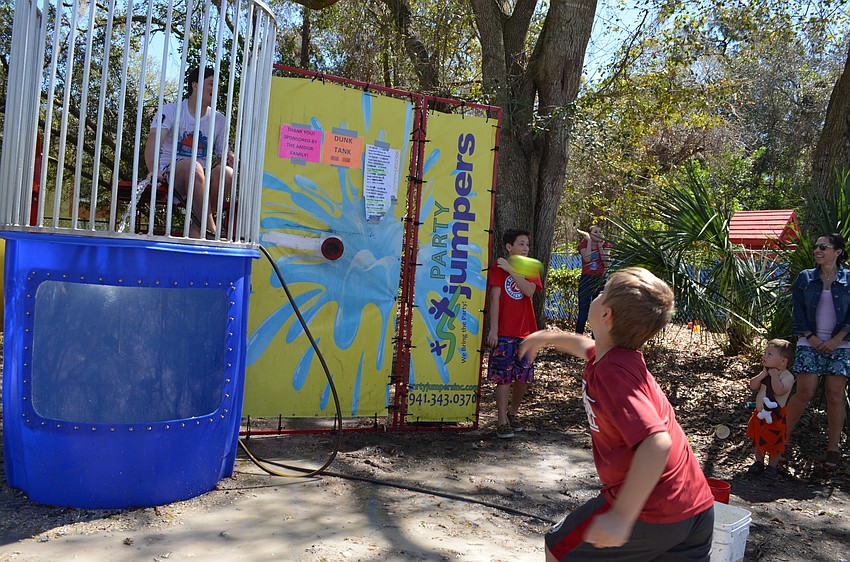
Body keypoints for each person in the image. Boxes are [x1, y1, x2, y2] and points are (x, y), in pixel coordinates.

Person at [520, 267, 715, 560]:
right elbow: (585, 346)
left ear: (606, 315)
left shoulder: (612, 373)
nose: (597, 294)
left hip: (652, 509)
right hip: (695, 507)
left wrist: (622, 515)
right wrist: (547, 337)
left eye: (603, 291)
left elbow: (656, 442)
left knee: (557, 548)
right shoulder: (615, 356)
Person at [144, 67, 234, 238]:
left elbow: (223, 157)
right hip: (172, 174)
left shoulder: (219, 119)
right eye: (211, 84)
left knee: (227, 173)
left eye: (218, 86)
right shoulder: (171, 110)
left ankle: (197, 229)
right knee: (193, 166)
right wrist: (153, 169)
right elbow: (154, 139)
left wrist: (231, 157)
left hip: (201, 178)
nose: (216, 90)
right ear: (195, 85)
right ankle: (211, 231)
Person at [786, 233, 850, 471]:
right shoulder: (805, 278)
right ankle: (777, 441)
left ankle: (833, 450)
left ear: (838, 252)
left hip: (841, 343)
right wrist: (812, 339)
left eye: (823, 246)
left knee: (835, 394)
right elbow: (799, 313)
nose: (817, 250)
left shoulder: (849, 279)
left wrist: (836, 340)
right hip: (808, 340)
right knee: (805, 391)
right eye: (816, 246)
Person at [486, 229, 544, 439]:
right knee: (504, 377)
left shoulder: (530, 267)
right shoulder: (497, 267)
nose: (525, 248)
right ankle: (501, 420)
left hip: (526, 332)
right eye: (520, 244)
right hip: (504, 332)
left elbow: (529, 290)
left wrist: (512, 269)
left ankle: (513, 413)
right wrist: (493, 329)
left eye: (527, 244)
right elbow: (495, 298)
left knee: (523, 376)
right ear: (509, 247)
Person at [745, 339, 795, 478]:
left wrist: (773, 376)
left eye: (770, 354)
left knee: (776, 441)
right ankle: (758, 462)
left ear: (783, 361)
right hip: (760, 414)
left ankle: (772, 466)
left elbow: (779, 391)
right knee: (758, 438)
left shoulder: (787, 377)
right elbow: (753, 386)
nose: (765, 356)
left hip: (776, 416)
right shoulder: (765, 372)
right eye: (765, 353)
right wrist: (762, 375)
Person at [575, 225, 612, 335]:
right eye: (595, 232)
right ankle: (578, 338)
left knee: (599, 312)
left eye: (600, 231)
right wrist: (589, 242)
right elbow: (587, 258)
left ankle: (596, 340)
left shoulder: (606, 245)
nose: (599, 233)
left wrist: (600, 247)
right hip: (586, 279)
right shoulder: (584, 244)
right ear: (589, 234)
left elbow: (606, 263)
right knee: (583, 312)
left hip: (600, 279)